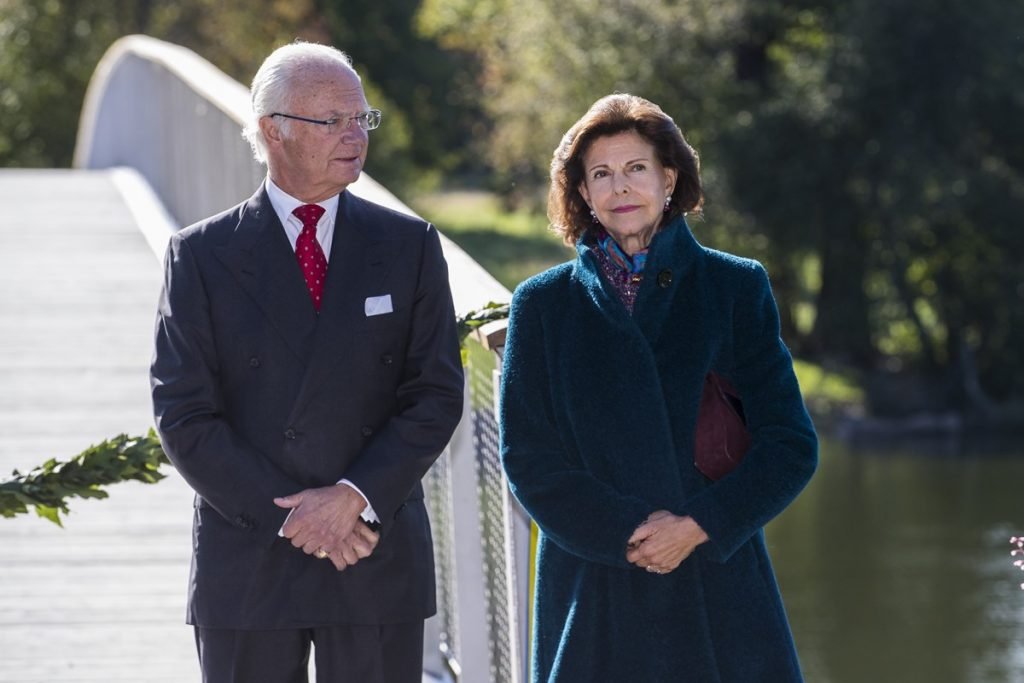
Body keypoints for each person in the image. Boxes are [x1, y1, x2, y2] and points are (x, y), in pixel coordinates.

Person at [150, 41, 464, 683]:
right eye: (334, 121)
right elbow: (184, 414)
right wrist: (299, 517)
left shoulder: (409, 244)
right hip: (250, 554)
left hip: (371, 548)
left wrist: (352, 498)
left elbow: (435, 393)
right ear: (274, 130)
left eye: (361, 119)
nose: (356, 136)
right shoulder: (201, 255)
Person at [498, 93, 818, 681]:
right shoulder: (542, 305)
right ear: (583, 194)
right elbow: (528, 458)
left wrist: (696, 527)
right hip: (597, 590)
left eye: (635, 168)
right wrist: (629, 534)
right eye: (601, 174)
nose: (620, 188)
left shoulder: (734, 287)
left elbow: (791, 445)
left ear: (669, 178)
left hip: (716, 585)